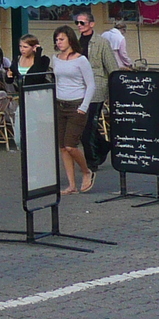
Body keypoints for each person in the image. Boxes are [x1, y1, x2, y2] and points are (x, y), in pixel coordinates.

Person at [50, 25, 97, 194]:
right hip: (60, 104)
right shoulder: (55, 59)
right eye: (56, 39)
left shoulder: (81, 60)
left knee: (71, 145)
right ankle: (71, 185)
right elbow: (55, 81)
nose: (59, 42)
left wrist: (84, 106)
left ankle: (87, 171)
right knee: (62, 147)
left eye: (61, 39)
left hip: (76, 105)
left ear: (70, 39)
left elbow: (91, 84)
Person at [74, 10, 120, 172]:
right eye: (77, 23)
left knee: (89, 126)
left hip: (97, 87)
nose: (79, 26)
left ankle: (91, 160)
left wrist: (114, 90)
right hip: (80, 88)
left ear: (91, 24)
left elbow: (112, 67)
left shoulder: (101, 42)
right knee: (82, 125)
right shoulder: (76, 42)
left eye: (82, 23)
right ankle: (103, 146)